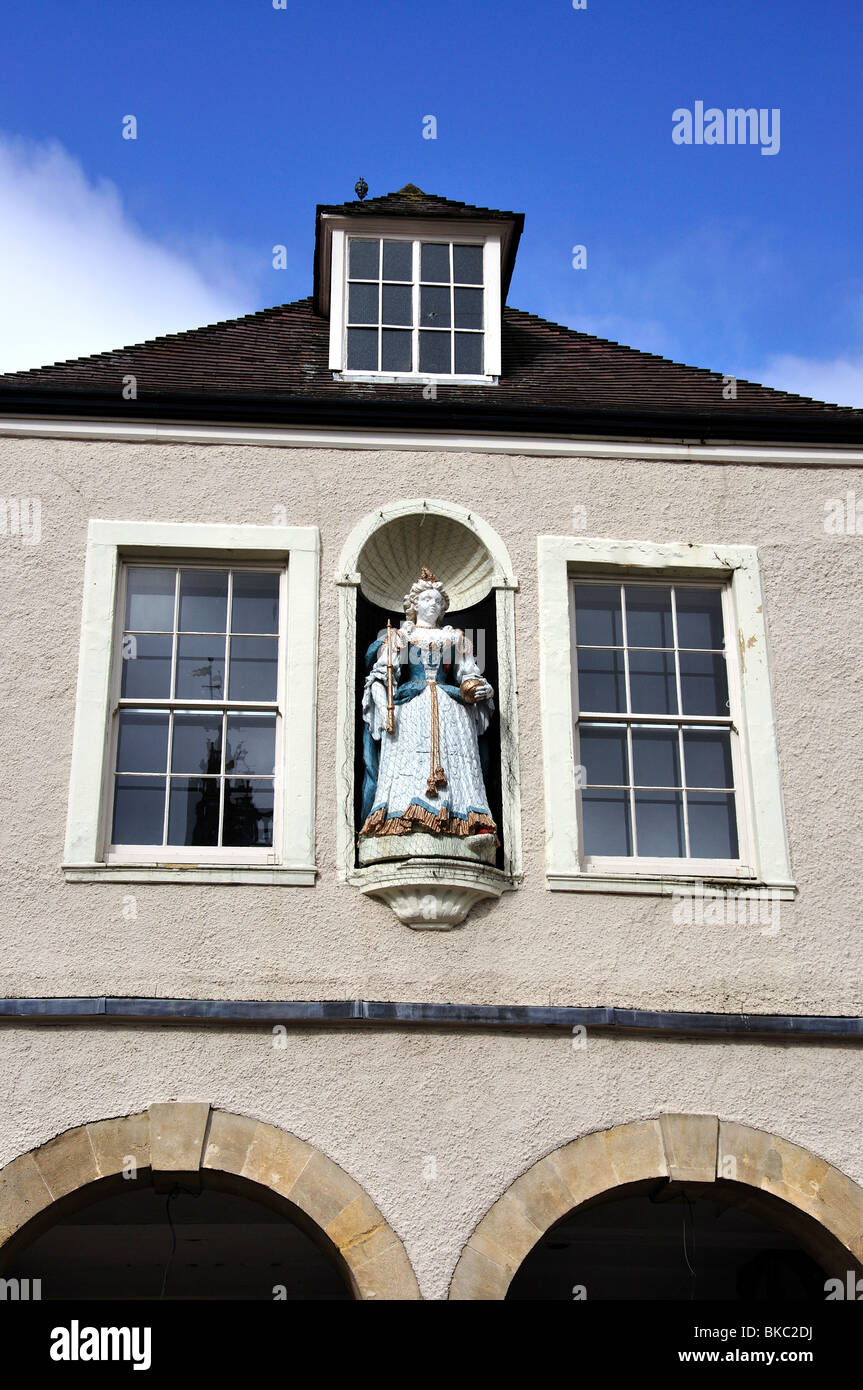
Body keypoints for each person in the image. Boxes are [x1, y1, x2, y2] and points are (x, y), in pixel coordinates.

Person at [358, 568, 498, 845]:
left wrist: (483, 689)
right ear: (414, 605)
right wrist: (386, 706)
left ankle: (461, 821)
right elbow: (380, 677)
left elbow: (469, 674)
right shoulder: (400, 636)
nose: (432, 604)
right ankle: (402, 820)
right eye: (426, 599)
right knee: (408, 761)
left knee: (456, 762)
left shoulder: (455, 638)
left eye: (437, 601)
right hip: (411, 707)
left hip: (451, 708)